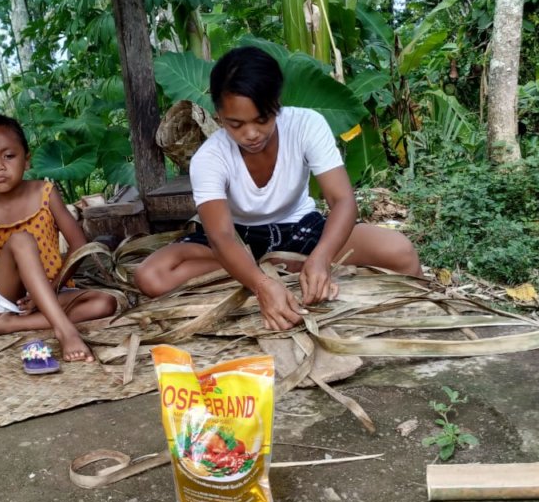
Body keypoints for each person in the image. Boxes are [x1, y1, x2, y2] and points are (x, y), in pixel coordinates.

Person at [134, 46, 423, 332]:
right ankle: (271, 269)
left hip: (302, 231)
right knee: (152, 276)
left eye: (262, 120)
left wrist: (321, 258)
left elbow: (342, 200)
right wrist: (261, 284)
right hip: (239, 241)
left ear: (276, 104)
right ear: (218, 114)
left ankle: (289, 265)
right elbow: (221, 237)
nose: (251, 134)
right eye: (236, 124)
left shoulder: (306, 125)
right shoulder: (209, 158)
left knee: (400, 251)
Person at [0, 113, 117, 362]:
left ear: (26, 160)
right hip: (5, 293)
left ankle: (9, 325)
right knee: (20, 240)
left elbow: (79, 245)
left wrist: (50, 289)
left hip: (50, 289)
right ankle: (64, 330)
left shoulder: (44, 192)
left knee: (104, 303)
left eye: (9, 156)